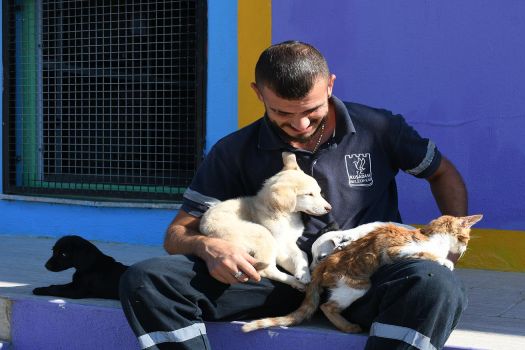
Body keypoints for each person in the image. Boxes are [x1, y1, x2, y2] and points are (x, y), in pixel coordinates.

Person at [120, 40, 469, 350]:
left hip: (364, 277)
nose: (300, 124)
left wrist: (447, 252)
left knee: (436, 285)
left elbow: (441, 173)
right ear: (259, 93)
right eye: (283, 112)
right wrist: (208, 247)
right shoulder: (233, 151)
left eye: (311, 110)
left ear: (330, 85)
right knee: (145, 280)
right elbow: (177, 233)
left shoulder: (379, 128)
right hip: (276, 282)